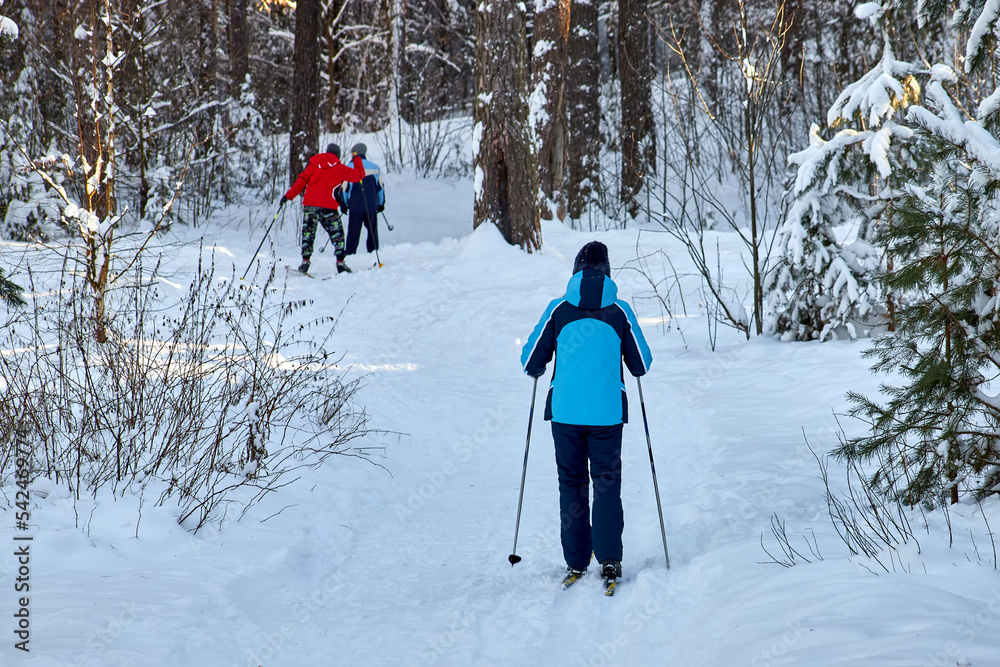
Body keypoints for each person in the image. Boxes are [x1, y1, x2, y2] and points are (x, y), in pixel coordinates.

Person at [520, 241, 652, 583]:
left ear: (575, 272)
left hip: (565, 413)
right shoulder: (619, 311)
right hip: (607, 414)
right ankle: (609, 559)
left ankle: (577, 559)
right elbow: (642, 363)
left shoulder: (559, 309)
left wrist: (540, 365)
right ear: (608, 272)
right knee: (607, 483)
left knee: (571, 483)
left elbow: (531, 360)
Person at [279, 142, 365, 275]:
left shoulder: (313, 165)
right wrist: (357, 158)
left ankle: (305, 262)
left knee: (308, 233)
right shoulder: (340, 168)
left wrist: (287, 196)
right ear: (338, 155)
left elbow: (301, 181)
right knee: (337, 234)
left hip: (310, 206)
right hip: (328, 207)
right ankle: (340, 263)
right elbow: (359, 175)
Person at [342, 142, 385, 258]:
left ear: (355, 153)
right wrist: (381, 203)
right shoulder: (375, 168)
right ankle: (373, 254)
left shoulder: (349, 168)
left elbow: (345, 189)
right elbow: (380, 188)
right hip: (371, 205)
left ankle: (350, 256)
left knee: (353, 234)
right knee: (372, 232)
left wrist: (343, 204)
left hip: (355, 207)